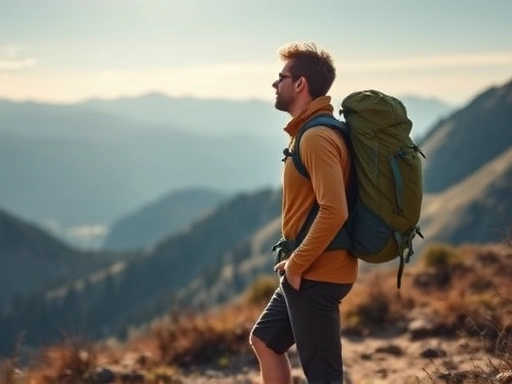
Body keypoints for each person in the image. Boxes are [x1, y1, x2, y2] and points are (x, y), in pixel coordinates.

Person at [249, 42, 358, 384]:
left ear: (300, 85)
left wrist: (297, 264)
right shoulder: (311, 132)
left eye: (281, 77)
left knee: (323, 376)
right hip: (309, 269)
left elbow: (334, 209)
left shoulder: (316, 138)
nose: (274, 84)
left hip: (317, 273)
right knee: (265, 340)